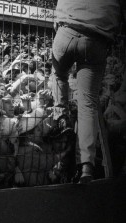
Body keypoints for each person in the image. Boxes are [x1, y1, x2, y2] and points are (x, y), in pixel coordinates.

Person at [52, 0, 122, 183]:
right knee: (87, 102)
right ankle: (86, 166)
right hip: (97, 39)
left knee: (59, 74)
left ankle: (61, 116)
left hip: (66, 31)